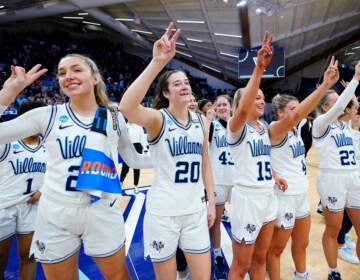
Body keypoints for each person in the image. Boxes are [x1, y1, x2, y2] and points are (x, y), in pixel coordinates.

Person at [0, 58, 151, 280]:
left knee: (119, 276)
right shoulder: (47, 115)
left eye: (76, 69)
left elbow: (134, 160)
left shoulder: (114, 116)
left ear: (95, 78)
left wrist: (166, 157)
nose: (68, 75)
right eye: (62, 72)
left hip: (101, 208)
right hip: (56, 212)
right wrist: (8, 92)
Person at [119, 22, 216, 280]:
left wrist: (211, 202)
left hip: (195, 211)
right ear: (166, 92)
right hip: (163, 214)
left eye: (186, 82)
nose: (184, 86)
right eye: (176, 84)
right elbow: (127, 107)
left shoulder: (201, 121)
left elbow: (205, 162)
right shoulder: (158, 120)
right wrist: (157, 63)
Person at [267, 56, 340, 280]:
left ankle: (302, 275)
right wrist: (325, 86)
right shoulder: (275, 129)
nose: (298, 113)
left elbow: (316, 116)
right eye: (292, 109)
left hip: (300, 194)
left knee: (302, 243)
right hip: (284, 196)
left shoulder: (297, 131)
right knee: (276, 249)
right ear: (279, 112)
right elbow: (300, 114)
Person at [226, 31, 276, 280]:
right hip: (246, 199)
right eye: (256, 97)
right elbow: (244, 108)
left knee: (260, 259)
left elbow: (263, 160)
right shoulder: (236, 128)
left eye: (263, 98)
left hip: (267, 194)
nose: (261, 101)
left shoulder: (264, 128)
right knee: (241, 265)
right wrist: (259, 69)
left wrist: (274, 174)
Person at [312, 60, 360, 280]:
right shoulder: (321, 124)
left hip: (353, 178)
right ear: (325, 107)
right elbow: (342, 105)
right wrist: (356, 78)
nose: (343, 104)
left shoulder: (346, 126)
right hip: (332, 179)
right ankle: (333, 271)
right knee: (334, 229)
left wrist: (354, 102)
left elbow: (349, 107)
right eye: (335, 101)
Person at [0, 100, 46, 280]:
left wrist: (44, 189)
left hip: (32, 207)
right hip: (4, 206)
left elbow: (58, 173)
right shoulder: (6, 141)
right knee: (1, 260)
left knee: (29, 256)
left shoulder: (48, 144)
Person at [208, 94, 235, 280]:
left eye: (225, 104)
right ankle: (217, 253)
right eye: (218, 105)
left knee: (240, 219)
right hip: (218, 179)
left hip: (237, 180)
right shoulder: (211, 126)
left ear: (231, 106)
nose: (222, 107)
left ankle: (241, 251)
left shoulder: (239, 124)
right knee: (216, 221)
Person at [335, 96, 359, 265]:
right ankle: (339, 243)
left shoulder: (350, 123)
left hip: (353, 174)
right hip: (347, 175)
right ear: (348, 110)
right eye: (355, 110)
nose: (357, 112)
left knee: (351, 214)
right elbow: (355, 153)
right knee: (347, 214)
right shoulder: (346, 127)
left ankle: (343, 238)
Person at [120, 121, 148, 194]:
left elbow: (142, 138)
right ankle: (120, 183)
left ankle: (136, 186)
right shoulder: (125, 127)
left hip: (137, 147)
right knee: (125, 167)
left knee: (136, 168)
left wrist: (145, 149)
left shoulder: (139, 127)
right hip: (127, 147)